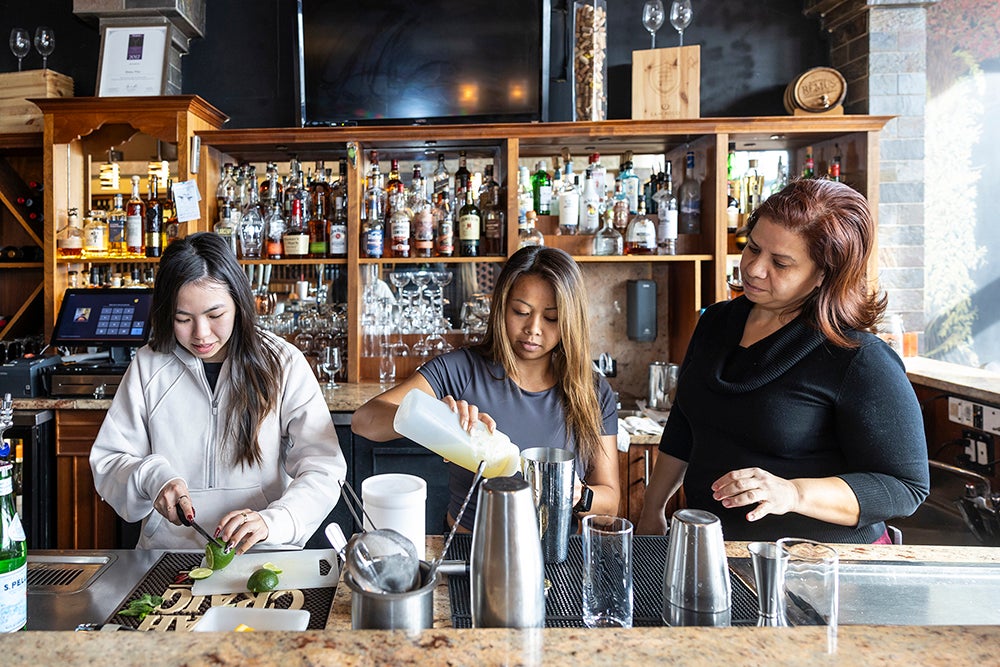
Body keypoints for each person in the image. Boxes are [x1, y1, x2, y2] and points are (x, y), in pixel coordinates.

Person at [637, 179, 929, 543]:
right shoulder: (715, 323)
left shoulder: (858, 357)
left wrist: (793, 493)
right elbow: (684, 424)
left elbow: (904, 487)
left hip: (820, 565)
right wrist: (652, 509)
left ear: (825, 273)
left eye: (780, 263)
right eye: (753, 248)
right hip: (717, 550)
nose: (755, 269)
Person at [90, 232, 346, 552]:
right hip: (169, 555)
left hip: (262, 554)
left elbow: (324, 466)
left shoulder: (282, 363)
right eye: (183, 319)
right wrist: (153, 478)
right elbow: (109, 461)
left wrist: (276, 520)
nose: (201, 334)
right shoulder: (148, 365)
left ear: (238, 304)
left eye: (215, 315)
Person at [352, 245, 619, 531]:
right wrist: (433, 416)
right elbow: (364, 420)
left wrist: (578, 494)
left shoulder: (591, 392)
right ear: (501, 307)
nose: (533, 328)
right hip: (469, 551)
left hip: (557, 558)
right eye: (520, 312)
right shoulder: (460, 370)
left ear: (570, 320)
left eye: (551, 317)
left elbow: (610, 504)